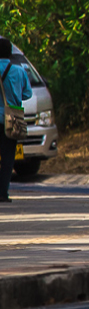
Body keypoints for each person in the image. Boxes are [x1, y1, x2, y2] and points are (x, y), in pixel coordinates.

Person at [0, 37, 24, 204]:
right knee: (8, 157)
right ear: (10, 52)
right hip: (12, 119)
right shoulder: (19, 71)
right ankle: (3, 192)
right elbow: (28, 94)